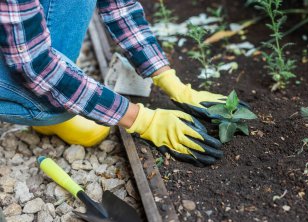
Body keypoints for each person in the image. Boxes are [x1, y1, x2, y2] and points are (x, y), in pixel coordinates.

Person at [0, 0, 247, 167]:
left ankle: (51, 105)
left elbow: (119, 6)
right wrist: (140, 119)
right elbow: (35, 64)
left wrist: (168, 79)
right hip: (25, 53)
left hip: (16, 35)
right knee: (51, 103)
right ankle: (41, 107)